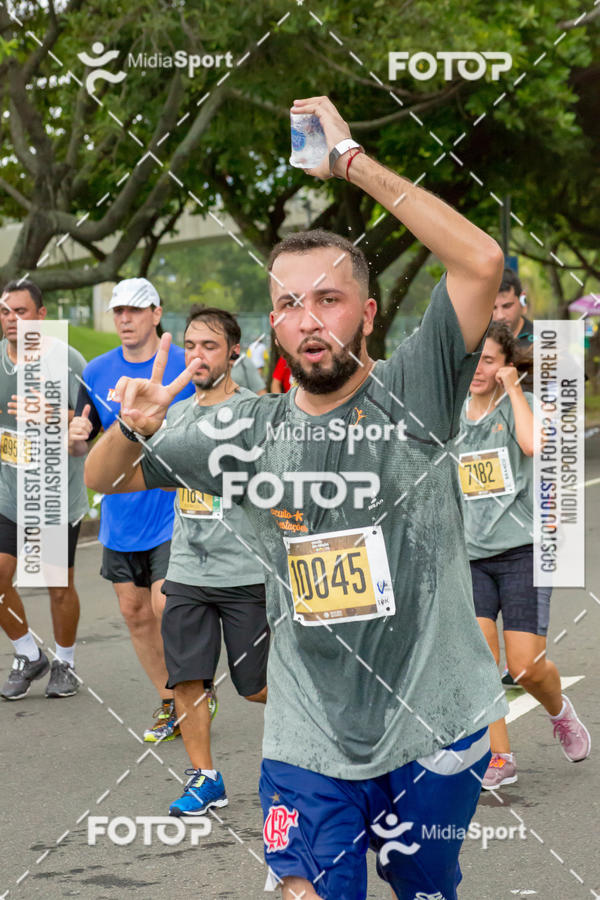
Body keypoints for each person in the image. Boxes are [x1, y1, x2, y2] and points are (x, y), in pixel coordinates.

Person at [85, 95, 506, 900]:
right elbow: (106, 478)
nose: (309, 319)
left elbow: (480, 262)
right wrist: (128, 426)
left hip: (435, 718)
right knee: (304, 892)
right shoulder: (243, 429)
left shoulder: (416, 390)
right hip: (308, 729)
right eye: (287, 303)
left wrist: (348, 159)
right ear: (273, 327)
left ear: (370, 315)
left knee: (426, 890)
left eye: (328, 298)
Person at [455, 321, 590, 789]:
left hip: (521, 552)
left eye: (489, 360)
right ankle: (500, 755)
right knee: (479, 662)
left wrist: (514, 389)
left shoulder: (521, 407)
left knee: (525, 667)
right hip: (468, 557)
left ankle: (559, 710)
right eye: (473, 358)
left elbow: (535, 446)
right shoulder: (451, 413)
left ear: (505, 366)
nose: (478, 369)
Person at [68, 277, 195, 741]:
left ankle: (192, 693)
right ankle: (170, 703)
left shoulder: (185, 365)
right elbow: (84, 439)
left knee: (168, 607)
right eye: (119, 310)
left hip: (173, 509)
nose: (125, 318)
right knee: (135, 612)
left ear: (156, 314)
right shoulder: (98, 371)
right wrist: (76, 441)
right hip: (121, 515)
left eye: (135, 310)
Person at [160, 305, 269, 816]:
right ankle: (206, 778)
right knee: (187, 678)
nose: (197, 355)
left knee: (256, 688)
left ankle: (326, 738)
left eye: (208, 346)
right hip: (187, 569)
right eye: (190, 345)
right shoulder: (176, 414)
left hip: (246, 573)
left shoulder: (255, 414)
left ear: (233, 352)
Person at [0, 280, 88, 700]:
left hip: (52, 491)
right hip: (7, 490)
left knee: (57, 585)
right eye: (4, 312)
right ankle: (28, 653)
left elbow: (87, 426)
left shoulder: (65, 359)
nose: (11, 320)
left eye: (20, 311)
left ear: (40, 315)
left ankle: (65, 662)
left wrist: (51, 415)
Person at [492, 267, 533, 390]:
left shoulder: (544, 341)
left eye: (507, 306)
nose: (500, 316)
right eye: (493, 308)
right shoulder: (479, 341)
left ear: (522, 300)